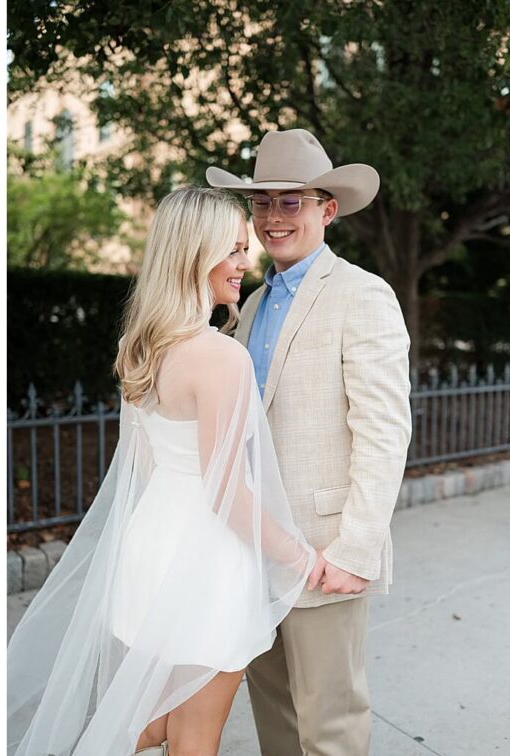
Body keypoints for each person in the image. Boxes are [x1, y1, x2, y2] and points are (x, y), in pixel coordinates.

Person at [7, 187, 320, 755]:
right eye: (232, 251)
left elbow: (146, 465)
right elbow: (226, 489)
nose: (245, 264)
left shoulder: (139, 347)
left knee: (152, 724)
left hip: (150, 550)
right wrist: (300, 556)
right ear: (194, 255)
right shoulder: (220, 356)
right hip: (206, 564)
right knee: (194, 738)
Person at [207, 128, 412, 755]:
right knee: (277, 719)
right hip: (254, 549)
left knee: (330, 725)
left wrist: (356, 549)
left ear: (328, 209)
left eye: (291, 202)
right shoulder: (252, 302)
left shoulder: (363, 295)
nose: (273, 218)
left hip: (325, 553)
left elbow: (383, 430)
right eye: (263, 202)